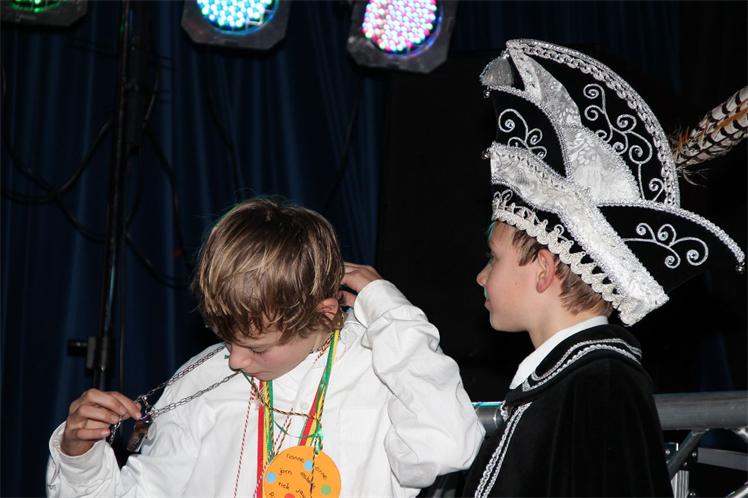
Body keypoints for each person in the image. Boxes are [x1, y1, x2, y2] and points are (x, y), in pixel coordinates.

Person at [46, 198, 485, 498]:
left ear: (324, 313)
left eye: (257, 348)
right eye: (227, 339)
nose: (236, 361)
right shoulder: (205, 378)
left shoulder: (383, 368)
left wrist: (390, 311)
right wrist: (79, 456)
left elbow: (446, 447)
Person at [462, 39, 745, 497]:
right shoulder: (570, 378)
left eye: (494, 257)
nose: (481, 275)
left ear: (544, 268)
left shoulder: (600, 384)